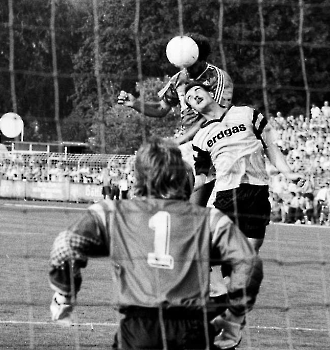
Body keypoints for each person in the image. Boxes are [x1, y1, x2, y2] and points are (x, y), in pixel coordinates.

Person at [49, 136, 263, 350]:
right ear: (182, 177)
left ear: (140, 176)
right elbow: (249, 263)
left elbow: (65, 246)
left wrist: (64, 296)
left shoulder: (112, 212)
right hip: (192, 331)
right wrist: (233, 317)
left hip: (138, 330)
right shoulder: (211, 219)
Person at [117, 33, 233, 207]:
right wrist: (135, 104)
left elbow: (211, 116)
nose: (187, 69)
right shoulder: (178, 79)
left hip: (212, 143)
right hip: (188, 144)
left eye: (191, 64)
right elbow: (161, 108)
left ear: (201, 57)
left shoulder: (217, 77)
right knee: (170, 196)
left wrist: (180, 140)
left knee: (194, 208)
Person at [186, 82, 303, 253]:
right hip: (227, 194)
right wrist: (183, 192)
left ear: (210, 93)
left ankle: (225, 276)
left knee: (250, 250)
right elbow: (203, 176)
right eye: (189, 98)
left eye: (197, 90)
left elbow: (270, 147)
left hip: (257, 191)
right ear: (193, 109)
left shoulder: (247, 113)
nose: (194, 96)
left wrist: (288, 173)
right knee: (228, 250)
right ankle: (205, 264)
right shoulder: (200, 138)